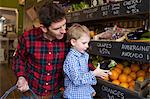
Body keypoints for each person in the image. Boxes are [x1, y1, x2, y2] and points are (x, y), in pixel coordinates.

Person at [12, 2, 69, 99]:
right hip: (31, 93)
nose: (63, 30)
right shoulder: (27, 38)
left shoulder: (68, 38)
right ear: (44, 28)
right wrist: (21, 77)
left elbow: (80, 54)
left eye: (64, 25)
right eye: (57, 28)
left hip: (57, 93)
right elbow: (18, 58)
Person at [63, 23, 111, 99]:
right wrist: (94, 73)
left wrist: (89, 90)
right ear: (73, 42)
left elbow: (84, 75)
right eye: (84, 43)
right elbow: (77, 80)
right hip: (74, 95)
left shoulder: (84, 55)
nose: (87, 46)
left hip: (84, 94)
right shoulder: (71, 59)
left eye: (88, 43)